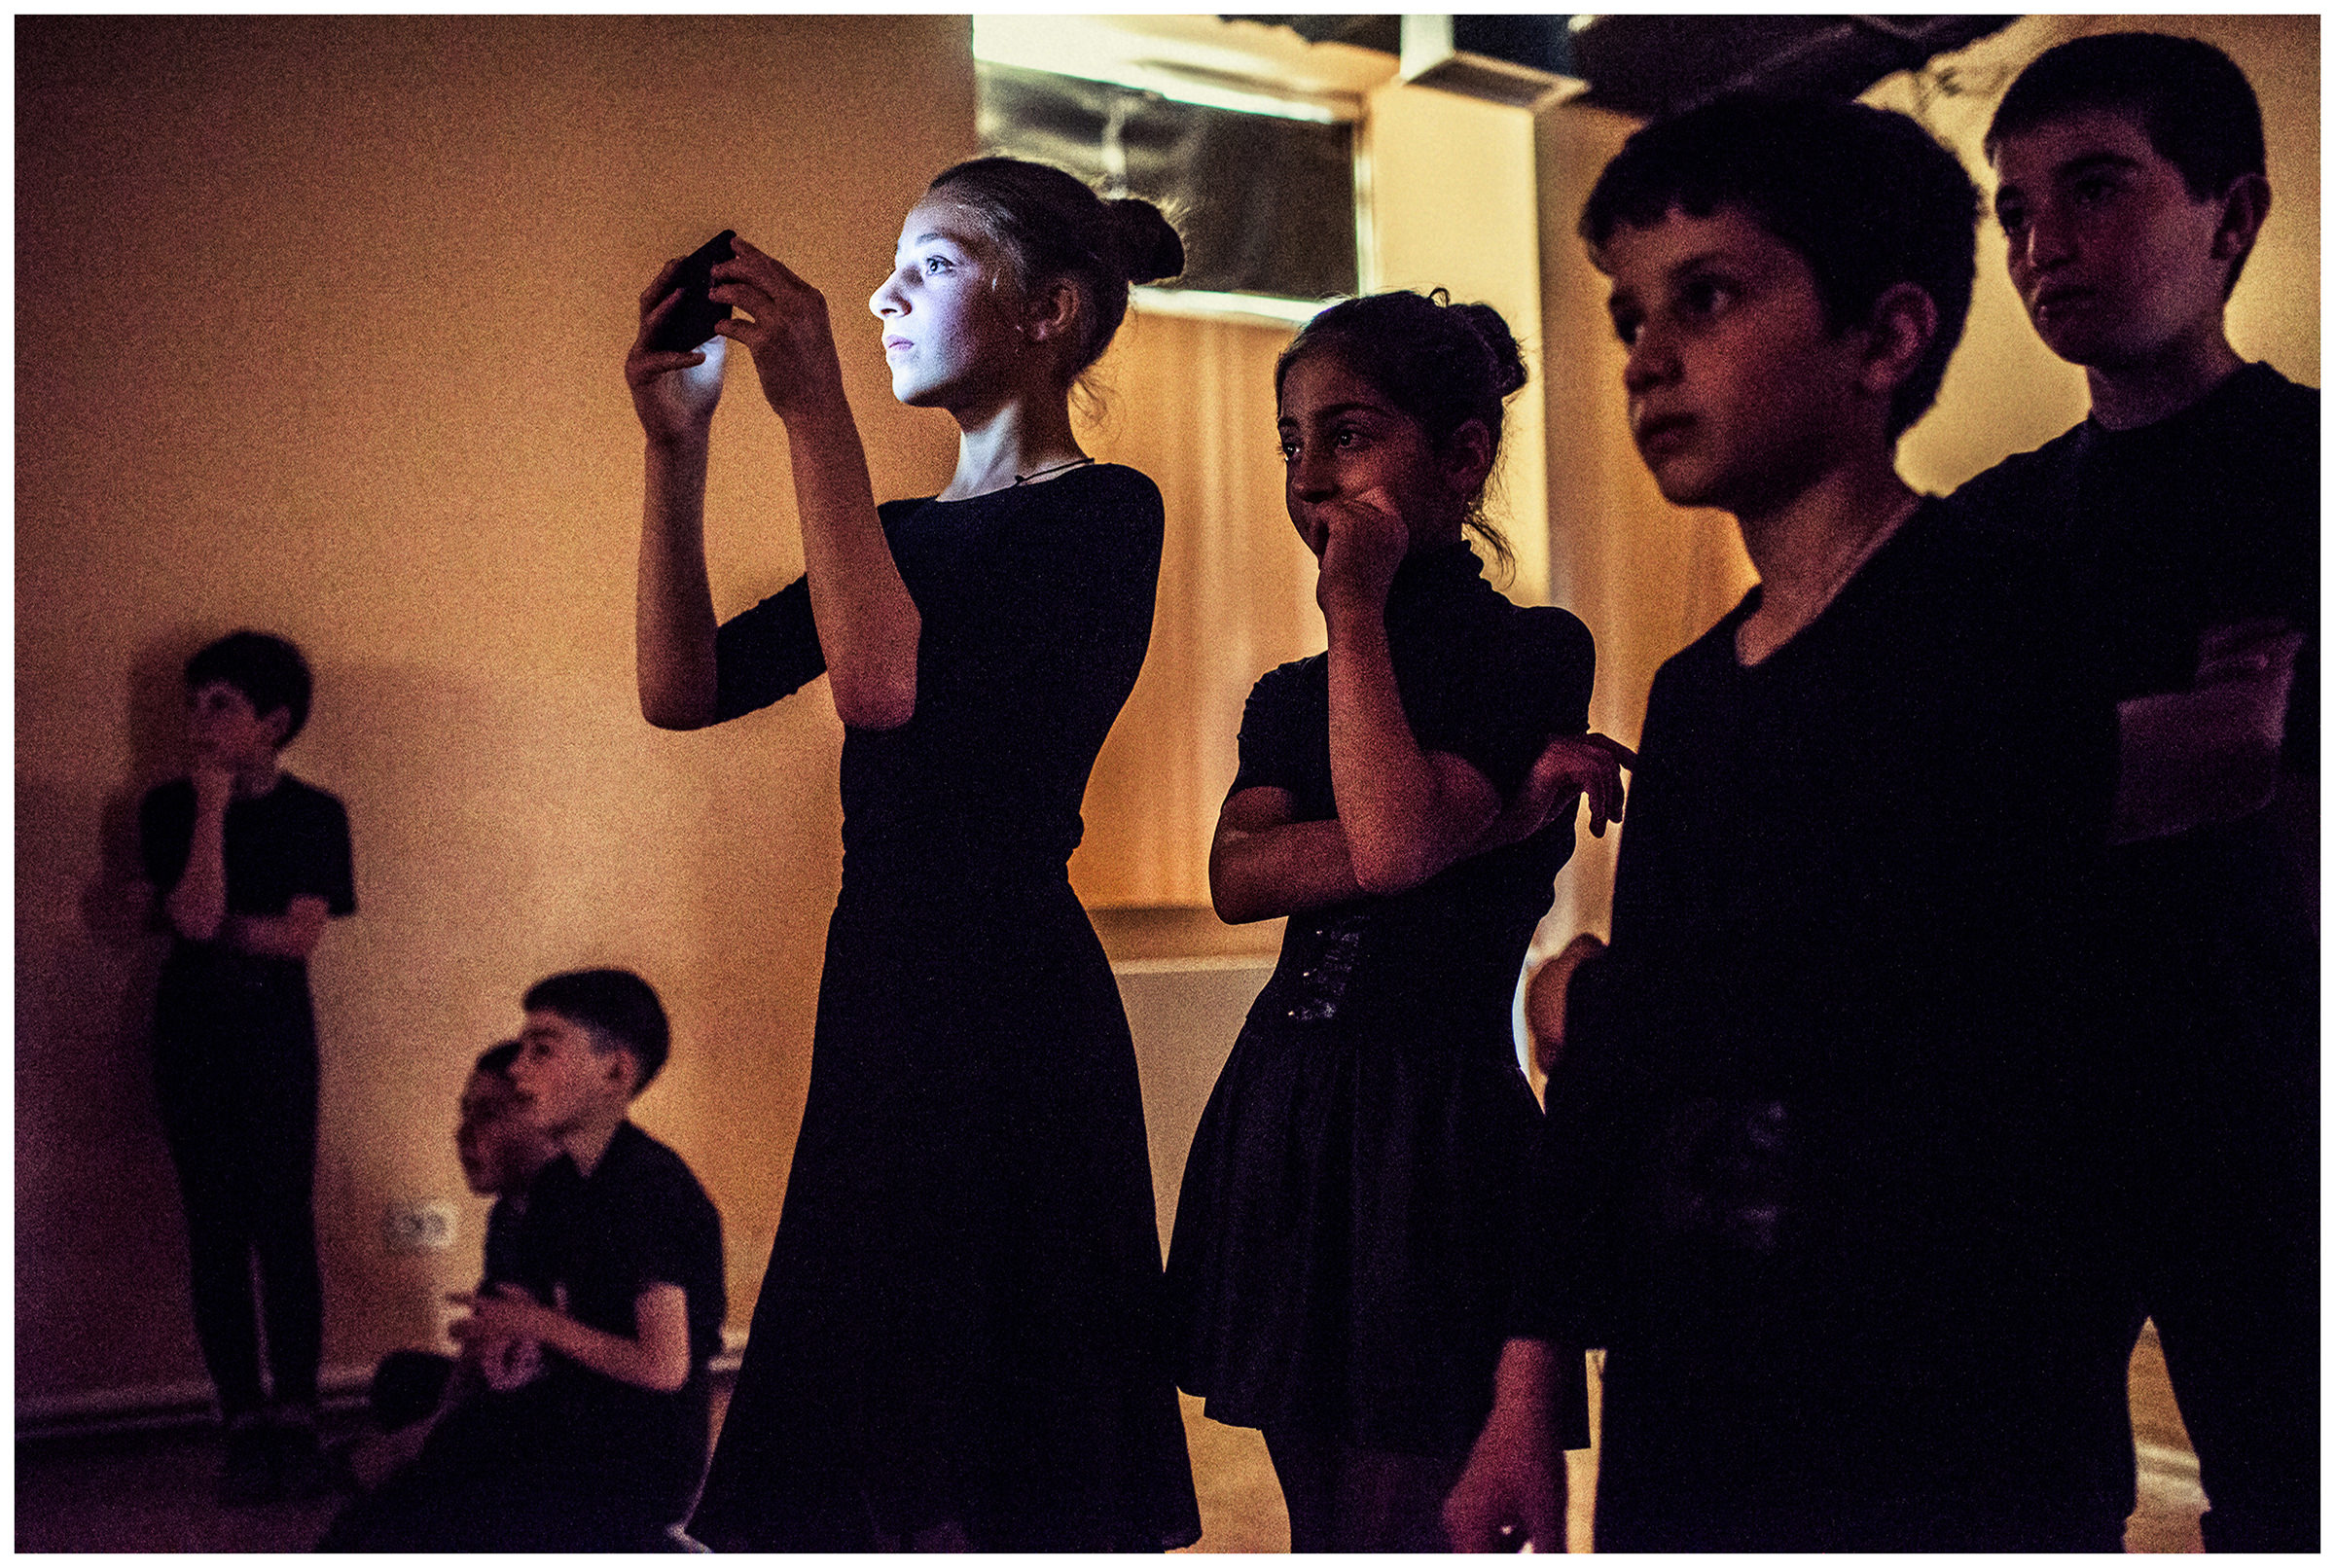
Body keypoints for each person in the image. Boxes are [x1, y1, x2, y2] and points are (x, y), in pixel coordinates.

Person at [1443, 94, 2133, 1551]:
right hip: (1701, 1372)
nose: (1645, 356)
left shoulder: (2005, 621)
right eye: (1632, 314)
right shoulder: (1696, 692)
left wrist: (1607, 997)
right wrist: (1525, 1389)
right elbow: (1632, 1076)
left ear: (1883, 340)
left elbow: (1962, 1021)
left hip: (1945, 1396)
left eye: (1708, 297)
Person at [628, 158, 1201, 1550]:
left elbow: (884, 688)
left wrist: (814, 400)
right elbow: (682, 684)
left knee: (998, 1422)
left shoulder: (1105, 513)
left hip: (1005, 992)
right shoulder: (892, 537)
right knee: (875, 1398)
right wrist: (677, 447)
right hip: (884, 973)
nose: (882, 293)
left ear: (1051, 310)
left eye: (931, 265)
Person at [1165, 290, 1626, 1551]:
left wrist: (1357, 611)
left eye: (1350, 435)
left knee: (1411, 1531)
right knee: (1324, 1530)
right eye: (1291, 442)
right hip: (1287, 1115)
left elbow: (1387, 839)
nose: (1311, 476)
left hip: (1436, 1132)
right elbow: (1239, 877)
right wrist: (1485, 820)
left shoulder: (1529, 652)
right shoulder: (1287, 692)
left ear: (1463, 455)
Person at [1954, 32, 2317, 1550]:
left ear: (2231, 218)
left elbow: (2234, 744)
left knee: (2294, 1493)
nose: (2045, 246)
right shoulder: (1996, 520)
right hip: (2033, 1096)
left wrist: (1956, 790)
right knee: (2020, 1502)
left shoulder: (2306, 466)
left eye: (2094, 192)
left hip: (2271, 1082)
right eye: (2016, 210)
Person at [319, 969, 725, 1550]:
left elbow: (664, 1366)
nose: (517, 1067)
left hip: (637, 1455)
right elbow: (540, 1312)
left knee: (383, 1524)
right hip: (571, 1413)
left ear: (614, 1072)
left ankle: (648, 1544)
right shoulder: (565, 1185)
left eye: (543, 1049)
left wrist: (536, 1327)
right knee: (400, 1472)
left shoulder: (648, 1186)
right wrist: (517, 1345)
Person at [136, 629, 354, 1505]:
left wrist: (190, 916)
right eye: (193, 704)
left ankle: (298, 1414)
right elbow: (195, 919)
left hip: (275, 1041)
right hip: (189, 1039)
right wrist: (213, 813)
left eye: (217, 704)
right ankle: (240, 1417)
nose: (197, 720)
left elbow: (295, 939)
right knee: (215, 1234)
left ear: (274, 721)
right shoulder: (167, 808)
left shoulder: (317, 814)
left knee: (284, 1226)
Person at [339, 1040, 558, 1490]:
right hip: (507, 1384)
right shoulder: (506, 1214)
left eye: (489, 1115)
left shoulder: (575, 1212)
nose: (464, 1134)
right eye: (465, 1113)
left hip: (559, 1409)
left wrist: (417, 1443)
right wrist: (434, 1422)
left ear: (545, 1124)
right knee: (400, 1378)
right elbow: (482, 1347)